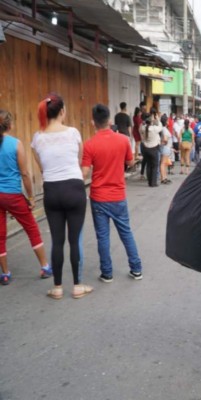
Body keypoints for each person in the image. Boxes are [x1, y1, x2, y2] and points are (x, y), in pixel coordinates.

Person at [31, 93, 92, 299]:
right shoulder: (73, 132)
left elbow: (41, 167)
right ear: (63, 112)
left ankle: (57, 288)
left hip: (52, 190)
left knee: (57, 241)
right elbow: (79, 159)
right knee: (74, 241)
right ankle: (77, 286)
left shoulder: (37, 137)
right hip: (74, 188)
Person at [81, 104, 143, 283]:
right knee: (126, 232)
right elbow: (131, 163)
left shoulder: (89, 144)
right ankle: (136, 269)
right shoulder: (123, 140)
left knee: (102, 236)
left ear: (93, 122)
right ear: (109, 120)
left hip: (99, 197)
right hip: (118, 196)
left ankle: (107, 273)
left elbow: (84, 173)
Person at [0, 110, 51, 285]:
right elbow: (24, 173)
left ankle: (5, 273)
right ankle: (44, 266)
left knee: (0, 235)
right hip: (13, 195)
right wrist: (30, 197)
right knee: (31, 228)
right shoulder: (15, 144)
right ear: (10, 125)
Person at [141, 112, 162, 187]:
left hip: (145, 148)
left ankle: (149, 181)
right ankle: (153, 183)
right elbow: (160, 127)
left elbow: (141, 127)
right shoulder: (154, 129)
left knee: (149, 165)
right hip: (153, 148)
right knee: (154, 166)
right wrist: (158, 119)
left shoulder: (143, 128)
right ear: (151, 121)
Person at [159, 115, 172, 184]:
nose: (168, 121)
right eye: (167, 120)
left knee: (164, 163)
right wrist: (164, 143)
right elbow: (165, 139)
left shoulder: (163, 128)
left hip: (166, 148)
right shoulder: (164, 129)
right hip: (166, 147)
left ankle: (164, 177)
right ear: (166, 122)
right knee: (163, 163)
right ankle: (163, 178)